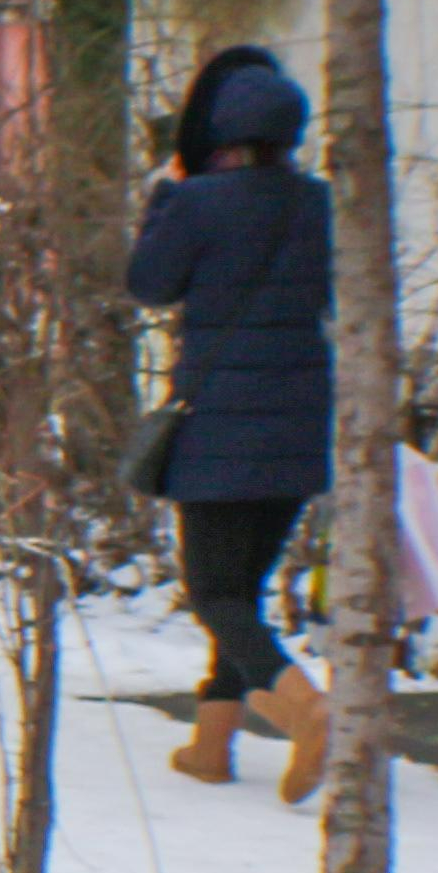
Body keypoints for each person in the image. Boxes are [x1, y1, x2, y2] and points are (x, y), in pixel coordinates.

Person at [130, 44, 339, 800]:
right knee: (241, 590)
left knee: (214, 594)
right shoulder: (320, 204)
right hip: (299, 427)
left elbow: (148, 284)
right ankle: (211, 747)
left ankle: (306, 709)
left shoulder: (197, 203)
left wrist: (164, 197)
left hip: (218, 426)